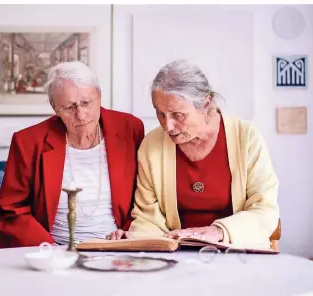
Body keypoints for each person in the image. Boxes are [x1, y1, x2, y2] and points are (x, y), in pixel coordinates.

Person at [107, 60, 279, 247]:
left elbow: (265, 210)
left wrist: (219, 231)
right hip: (177, 256)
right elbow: (147, 219)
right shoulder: (152, 145)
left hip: (237, 252)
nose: (167, 126)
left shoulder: (246, 138)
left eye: (178, 115)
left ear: (206, 103)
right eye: (160, 114)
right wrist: (136, 239)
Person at [0, 61, 145, 249]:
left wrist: (130, 231)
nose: (81, 115)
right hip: (53, 249)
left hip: (117, 248)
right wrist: (49, 249)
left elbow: (145, 194)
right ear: (54, 107)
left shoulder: (129, 129)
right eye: (69, 107)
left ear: (99, 95)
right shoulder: (28, 141)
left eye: (86, 103)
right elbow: (11, 209)